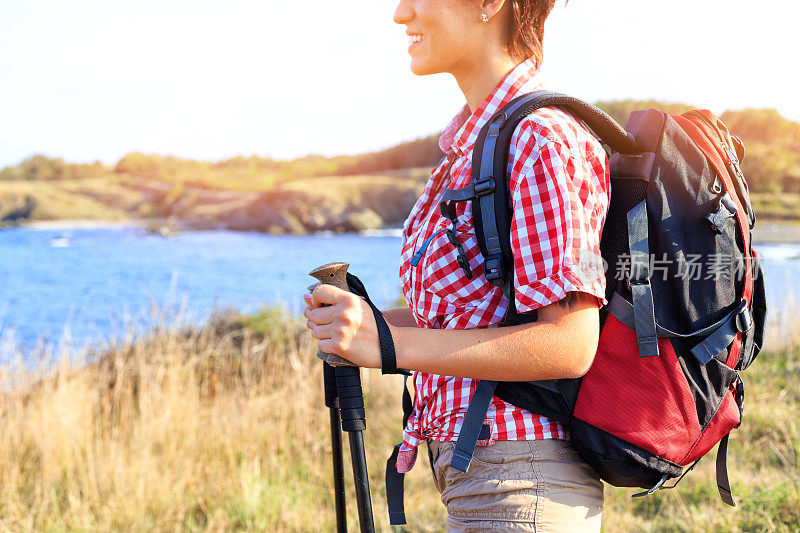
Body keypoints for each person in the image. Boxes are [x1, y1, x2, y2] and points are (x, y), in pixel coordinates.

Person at [303, 0, 607, 530]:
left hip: (521, 481)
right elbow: (470, 316)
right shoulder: (470, 144)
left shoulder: (541, 139)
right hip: (481, 478)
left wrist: (388, 346)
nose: (401, 13)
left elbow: (570, 343)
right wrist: (364, 324)